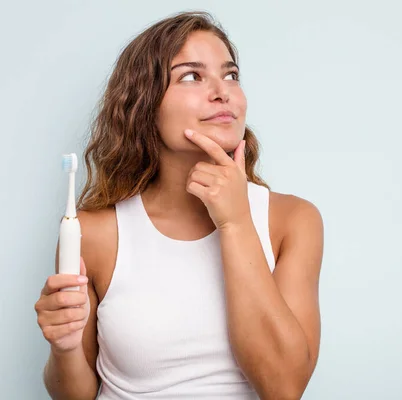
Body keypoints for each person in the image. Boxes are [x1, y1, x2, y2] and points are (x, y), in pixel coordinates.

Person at [34, 11, 324, 400]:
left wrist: (236, 223)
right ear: (146, 105)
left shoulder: (293, 220)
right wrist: (64, 347)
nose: (222, 91)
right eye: (192, 75)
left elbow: (284, 388)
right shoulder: (95, 233)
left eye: (231, 75)